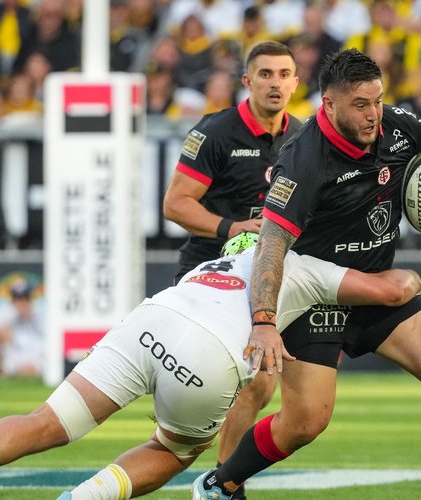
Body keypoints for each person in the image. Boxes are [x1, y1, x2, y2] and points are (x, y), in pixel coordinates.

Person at [192, 49, 421, 500]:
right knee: (306, 422)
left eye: (378, 101)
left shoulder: (400, 126)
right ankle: (220, 484)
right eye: (360, 105)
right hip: (315, 299)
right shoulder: (303, 159)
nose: (373, 116)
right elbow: (271, 245)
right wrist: (265, 319)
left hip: (376, 287)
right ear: (329, 104)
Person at [0, 232, 421, 500]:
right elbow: (393, 288)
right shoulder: (305, 261)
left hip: (155, 317)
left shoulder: (224, 255)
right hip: (210, 352)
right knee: (172, 450)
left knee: (47, 421)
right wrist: (414, 277)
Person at [162, 40, 302, 497]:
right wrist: (235, 226)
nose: (275, 83)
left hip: (266, 276)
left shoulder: (303, 139)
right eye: (265, 74)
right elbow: (176, 203)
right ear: (247, 82)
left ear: (296, 82)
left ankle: (224, 481)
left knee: (261, 381)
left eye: (284, 74)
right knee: (209, 393)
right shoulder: (216, 132)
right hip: (210, 271)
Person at [0, 278, 45, 377]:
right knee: (1, 330)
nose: (22, 302)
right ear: (13, 300)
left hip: (37, 354)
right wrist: (15, 313)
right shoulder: (7, 312)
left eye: (25, 298)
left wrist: (29, 314)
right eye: (18, 299)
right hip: (15, 353)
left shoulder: (39, 311)